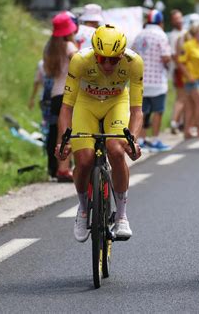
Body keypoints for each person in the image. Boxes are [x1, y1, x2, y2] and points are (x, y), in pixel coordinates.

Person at [56, 24, 144, 242]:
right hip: (86, 105)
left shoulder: (134, 63)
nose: (107, 64)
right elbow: (66, 107)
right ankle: (83, 209)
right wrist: (64, 141)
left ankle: (122, 216)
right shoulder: (80, 60)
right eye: (101, 58)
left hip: (116, 104)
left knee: (116, 149)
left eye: (113, 59)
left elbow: (136, 110)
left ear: (122, 55)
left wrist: (132, 140)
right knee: (84, 161)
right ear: (94, 53)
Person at [43, 12, 78, 181]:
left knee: (60, 133)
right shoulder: (69, 46)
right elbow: (79, 62)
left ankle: (59, 168)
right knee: (71, 132)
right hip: (69, 94)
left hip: (55, 95)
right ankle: (65, 168)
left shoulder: (49, 48)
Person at [132, 9, 172, 152]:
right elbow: (166, 57)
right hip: (157, 82)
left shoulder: (139, 35)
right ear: (160, 22)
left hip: (141, 80)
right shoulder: (161, 35)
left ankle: (141, 140)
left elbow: (132, 54)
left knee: (141, 111)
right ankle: (155, 140)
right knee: (158, 111)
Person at [167, 9, 187, 135]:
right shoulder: (173, 35)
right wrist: (182, 70)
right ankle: (174, 122)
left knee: (186, 98)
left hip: (187, 68)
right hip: (180, 69)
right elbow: (174, 55)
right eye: (176, 19)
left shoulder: (185, 32)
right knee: (181, 97)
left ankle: (181, 123)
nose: (179, 20)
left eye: (180, 17)